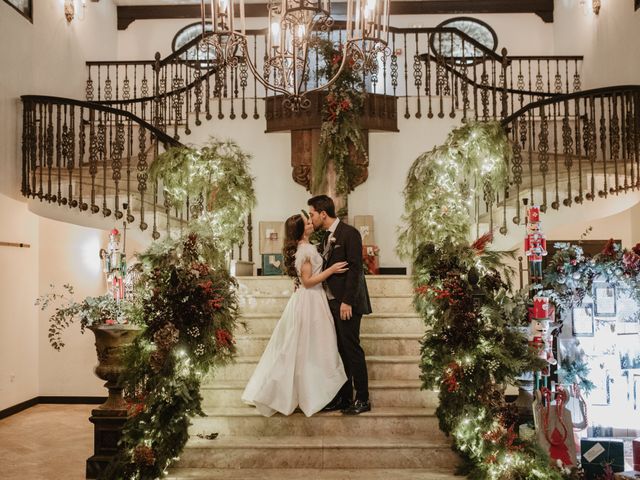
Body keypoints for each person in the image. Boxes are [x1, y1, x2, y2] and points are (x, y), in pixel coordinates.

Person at [241, 213, 348, 417]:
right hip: (311, 299)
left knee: (305, 345)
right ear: (300, 230)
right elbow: (308, 281)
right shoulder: (306, 250)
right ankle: (305, 391)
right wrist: (332, 270)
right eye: (307, 222)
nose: (311, 223)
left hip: (306, 298)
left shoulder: (303, 248)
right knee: (309, 345)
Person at [307, 195, 373, 415]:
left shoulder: (349, 233)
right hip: (332, 302)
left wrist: (347, 301)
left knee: (352, 349)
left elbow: (355, 269)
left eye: (312, 214)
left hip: (347, 303)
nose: (311, 218)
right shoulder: (326, 237)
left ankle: (362, 399)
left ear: (323, 213)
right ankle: (344, 398)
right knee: (341, 351)